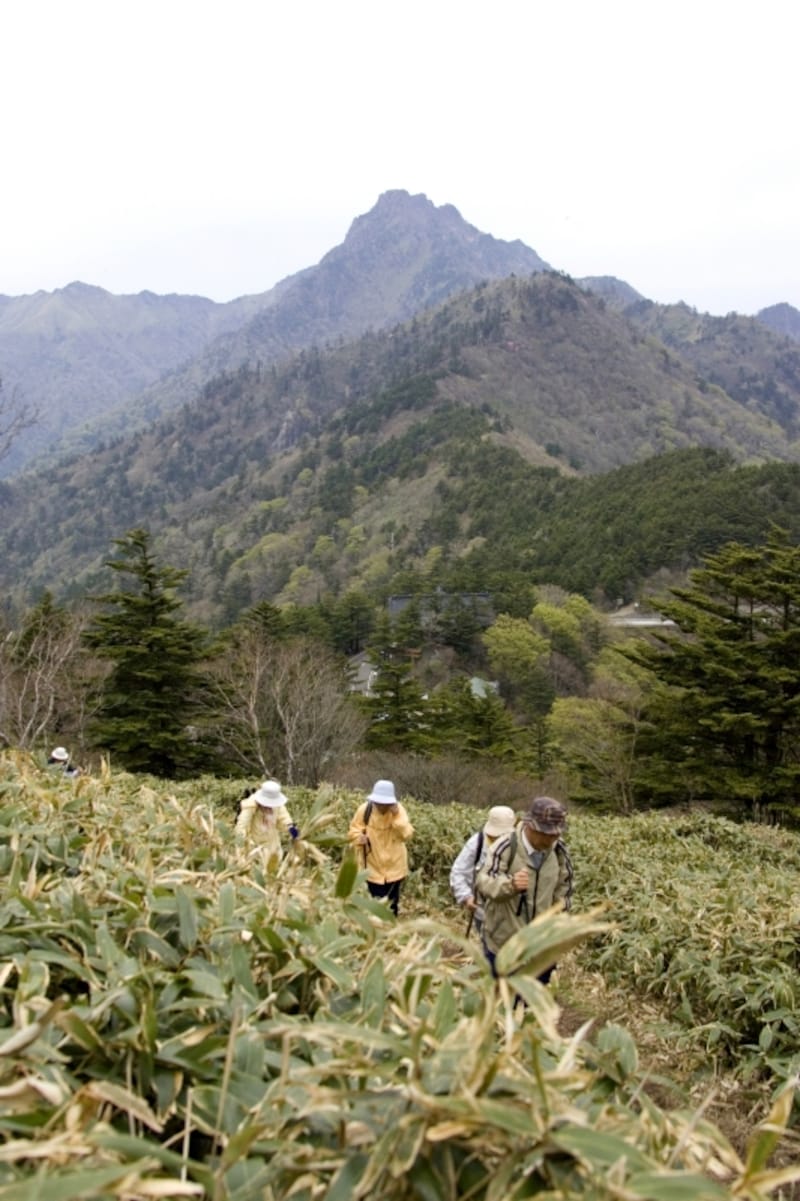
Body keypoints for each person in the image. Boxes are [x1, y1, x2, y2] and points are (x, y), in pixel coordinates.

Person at [477, 796, 573, 985]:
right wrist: (510, 885)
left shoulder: (559, 851)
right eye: (547, 833)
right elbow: (484, 882)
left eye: (556, 833)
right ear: (531, 827)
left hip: (541, 946)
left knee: (532, 1004)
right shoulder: (505, 846)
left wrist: (559, 921)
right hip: (504, 943)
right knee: (502, 1001)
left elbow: (565, 888)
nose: (553, 838)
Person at [348, 779, 414, 916]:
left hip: (395, 867)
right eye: (379, 803)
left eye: (385, 803)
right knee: (374, 904)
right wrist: (359, 838)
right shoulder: (364, 810)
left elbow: (407, 834)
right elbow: (353, 830)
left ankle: (390, 931)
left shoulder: (399, 811)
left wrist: (396, 817)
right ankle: (375, 931)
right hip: (372, 866)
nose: (381, 806)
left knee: (392, 904)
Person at [450, 805, 517, 937]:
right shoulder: (477, 842)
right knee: (486, 943)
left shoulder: (518, 846)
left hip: (511, 913)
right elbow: (459, 871)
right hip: (482, 909)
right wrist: (466, 896)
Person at [235, 779, 299, 871]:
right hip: (254, 846)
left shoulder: (278, 806)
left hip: (272, 845)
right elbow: (241, 826)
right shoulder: (251, 805)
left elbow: (284, 819)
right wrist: (240, 849)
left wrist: (291, 829)